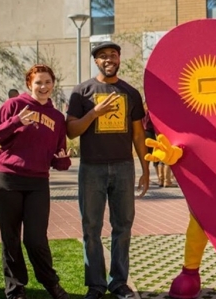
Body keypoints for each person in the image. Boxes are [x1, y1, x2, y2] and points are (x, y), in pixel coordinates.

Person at [66, 41, 150, 299]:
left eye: (113, 54)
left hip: (124, 168)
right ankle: (95, 285)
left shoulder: (131, 93)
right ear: (96, 61)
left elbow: (138, 134)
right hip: (92, 168)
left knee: (123, 226)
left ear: (119, 59)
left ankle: (119, 282)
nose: (108, 59)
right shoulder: (82, 92)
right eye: (103, 56)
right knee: (91, 227)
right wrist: (94, 113)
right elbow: (71, 131)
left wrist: (145, 169)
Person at [0, 64, 72, 299]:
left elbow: (59, 159)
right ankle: (15, 289)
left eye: (47, 82)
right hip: (7, 180)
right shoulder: (14, 106)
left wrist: (64, 161)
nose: (43, 87)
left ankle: (51, 283)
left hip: (37, 184)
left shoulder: (57, 117)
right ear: (29, 84)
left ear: (53, 84)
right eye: (38, 83)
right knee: (10, 238)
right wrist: (15, 122)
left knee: (36, 240)